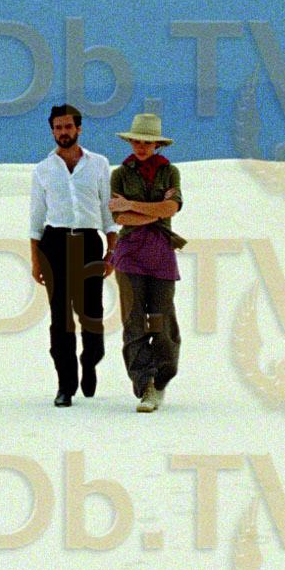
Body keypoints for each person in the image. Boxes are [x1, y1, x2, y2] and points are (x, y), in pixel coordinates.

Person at [28, 104, 118, 407]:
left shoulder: (99, 164)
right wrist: (35, 260)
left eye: (68, 126)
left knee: (92, 314)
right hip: (54, 243)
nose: (63, 132)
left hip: (89, 243)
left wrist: (111, 250)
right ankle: (65, 384)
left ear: (78, 128)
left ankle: (90, 360)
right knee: (60, 318)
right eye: (58, 127)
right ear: (52, 131)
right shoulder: (42, 170)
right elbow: (36, 220)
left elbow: (107, 211)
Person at [106, 112, 185, 412]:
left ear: (157, 145)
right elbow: (120, 217)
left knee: (161, 319)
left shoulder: (170, 172)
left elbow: (171, 208)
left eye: (147, 142)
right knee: (134, 319)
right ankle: (145, 384)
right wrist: (154, 211)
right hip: (129, 254)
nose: (141, 147)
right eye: (137, 141)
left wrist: (132, 204)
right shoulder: (120, 174)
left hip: (161, 252)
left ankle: (162, 376)